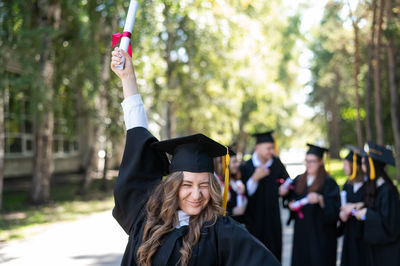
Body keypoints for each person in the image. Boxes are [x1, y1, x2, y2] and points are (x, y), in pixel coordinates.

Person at [110, 48, 280, 266]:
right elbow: (137, 142)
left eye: (204, 185)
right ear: (173, 185)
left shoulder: (220, 232)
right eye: (187, 184)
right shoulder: (146, 219)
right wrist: (128, 79)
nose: (196, 194)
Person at [279, 144, 340, 266]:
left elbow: (335, 208)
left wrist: (321, 199)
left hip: (321, 234)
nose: (309, 165)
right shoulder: (299, 179)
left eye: (312, 161)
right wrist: (286, 196)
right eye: (307, 161)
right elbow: (290, 197)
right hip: (302, 232)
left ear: (320, 162)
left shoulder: (329, 182)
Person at [353, 142, 400, 266]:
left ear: (372, 166)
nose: (362, 168)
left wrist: (367, 214)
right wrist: (363, 207)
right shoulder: (377, 187)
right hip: (376, 249)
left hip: (387, 252)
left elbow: (390, 225)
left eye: (364, 164)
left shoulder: (387, 191)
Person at [338, 145, 368, 266]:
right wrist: (342, 214)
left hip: (364, 234)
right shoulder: (348, 184)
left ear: (354, 166)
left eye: (346, 164)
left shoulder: (368, 185)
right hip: (350, 234)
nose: (344, 167)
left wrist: (356, 206)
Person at [226, 153, 247, 223]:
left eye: (237, 161)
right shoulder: (220, 183)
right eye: (234, 162)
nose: (238, 164)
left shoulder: (236, 180)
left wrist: (243, 193)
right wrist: (232, 211)